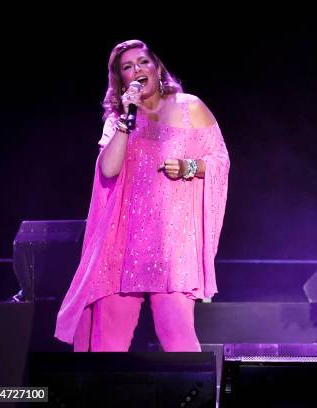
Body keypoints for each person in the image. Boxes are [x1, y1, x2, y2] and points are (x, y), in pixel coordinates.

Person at [55, 39, 230, 352]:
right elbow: (108, 170)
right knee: (107, 344)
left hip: (171, 244)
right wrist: (126, 117)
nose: (137, 69)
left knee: (180, 343)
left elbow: (220, 160)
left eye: (143, 62)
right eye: (127, 67)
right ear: (120, 79)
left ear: (157, 67)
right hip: (122, 242)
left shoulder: (190, 107)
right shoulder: (120, 120)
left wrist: (190, 166)